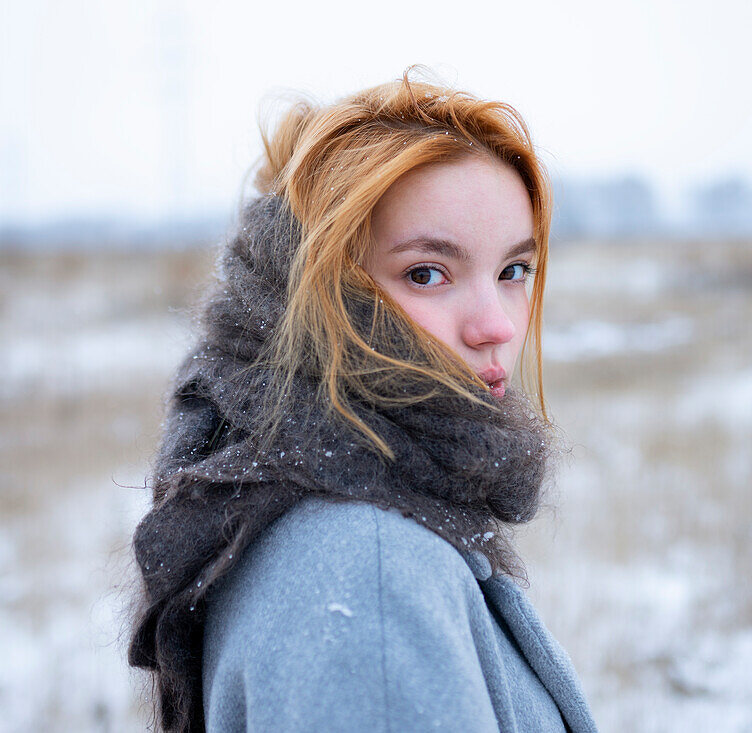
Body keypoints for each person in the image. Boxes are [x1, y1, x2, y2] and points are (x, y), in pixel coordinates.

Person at [128, 68, 599, 733]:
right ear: (317, 295)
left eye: (512, 270)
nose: (496, 324)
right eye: (427, 273)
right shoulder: (368, 573)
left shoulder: (318, 500)